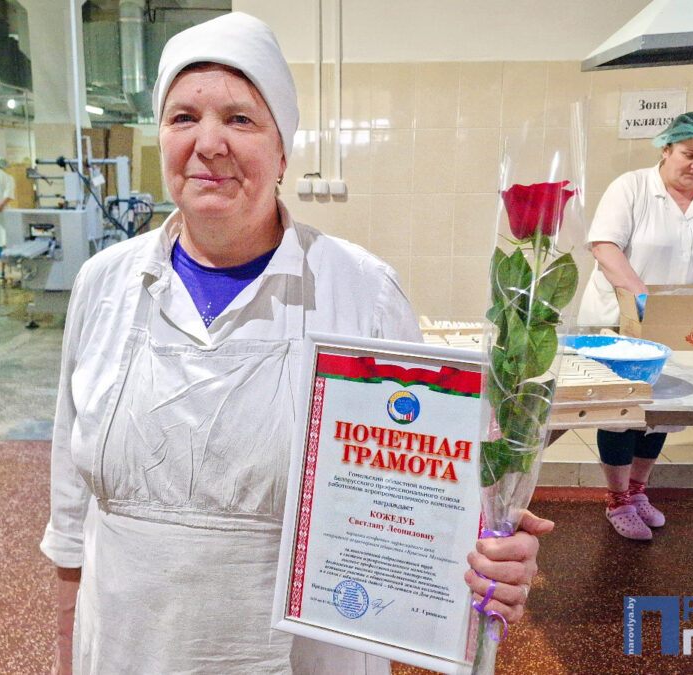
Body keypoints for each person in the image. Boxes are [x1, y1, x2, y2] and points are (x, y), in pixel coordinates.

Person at [40, 12, 552, 674]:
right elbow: (71, 510)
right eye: (183, 117)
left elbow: (424, 498)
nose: (209, 143)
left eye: (241, 119)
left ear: (283, 152)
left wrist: (486, 551)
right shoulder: (103, 284)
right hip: (127, 648)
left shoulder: (359, 290)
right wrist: (64, 652)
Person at [576, 111, 693, 541]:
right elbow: (605, 246)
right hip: (620, 322)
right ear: (666, 148)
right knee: (621, 413)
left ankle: (638, 491)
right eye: (689, 154)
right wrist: (643, 299)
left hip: (676, 327)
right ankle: (617, 499)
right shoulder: (632, 187)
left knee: (660, 414)